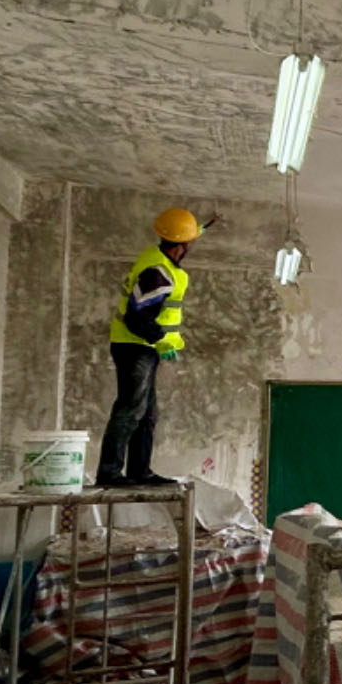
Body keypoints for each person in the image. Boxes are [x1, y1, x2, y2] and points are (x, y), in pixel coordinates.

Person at [95, 208, 208, 487]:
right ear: (183, 244)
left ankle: (139, 471)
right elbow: (136, 318)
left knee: (146, 413)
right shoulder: (159, 273)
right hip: (135, 345)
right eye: (191, 239)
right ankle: (109, 473)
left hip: (142, 346)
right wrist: (160, 339)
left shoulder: (157, 256)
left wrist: (205, 226)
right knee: (130, 409)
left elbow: (184, 234)